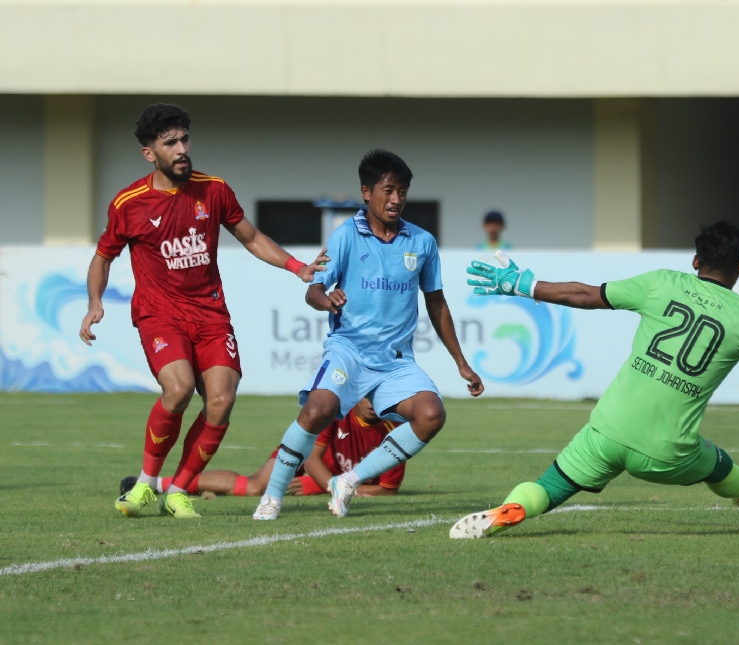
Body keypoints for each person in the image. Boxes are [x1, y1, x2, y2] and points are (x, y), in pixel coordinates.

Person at [450, 221, 739, 539]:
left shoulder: (661, 282)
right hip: (667, 452)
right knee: (718, 465)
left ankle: (507, 510)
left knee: (550, 486)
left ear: (695, 262)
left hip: (607, 430)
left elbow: (586, 295)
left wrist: (524, 285)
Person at [80, 104, 326, 519]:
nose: (181, 149)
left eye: (184, 140)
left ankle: (177, 491)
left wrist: (297, 267)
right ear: (149, 153)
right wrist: (94, 303)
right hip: (160, 314)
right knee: (176, 390)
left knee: (221, 400)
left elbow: (250, 237)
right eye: (170, 143)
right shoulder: (129, 202)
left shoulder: (213, 189)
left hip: (211, 316)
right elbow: (103, 257)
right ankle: (144, 484)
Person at [252, 149, 484, 521]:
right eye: (388, 190)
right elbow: (312, 289)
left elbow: (437, 304)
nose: (396, 199)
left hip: (395, 362)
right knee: (317, 410)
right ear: (366, 192)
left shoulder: (421, 242)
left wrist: (461, 363)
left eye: (402, 191)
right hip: (349, 352)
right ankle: (272, 498)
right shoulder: (345, 236)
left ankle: (348, 482)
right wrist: (325, 299)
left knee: (431, 414)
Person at [119, 399, 405, 499]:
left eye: (378, 395)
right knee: (255, 486)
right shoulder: (336, 411)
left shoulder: (395, 432)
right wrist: (327, 486)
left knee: (254, 490)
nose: (371, 402)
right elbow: (312, 456)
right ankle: (155, 484)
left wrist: (321, 487)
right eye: (367, 392)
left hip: (326, 477)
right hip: (303, 452)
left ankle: (159, 485)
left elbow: (387, 490)